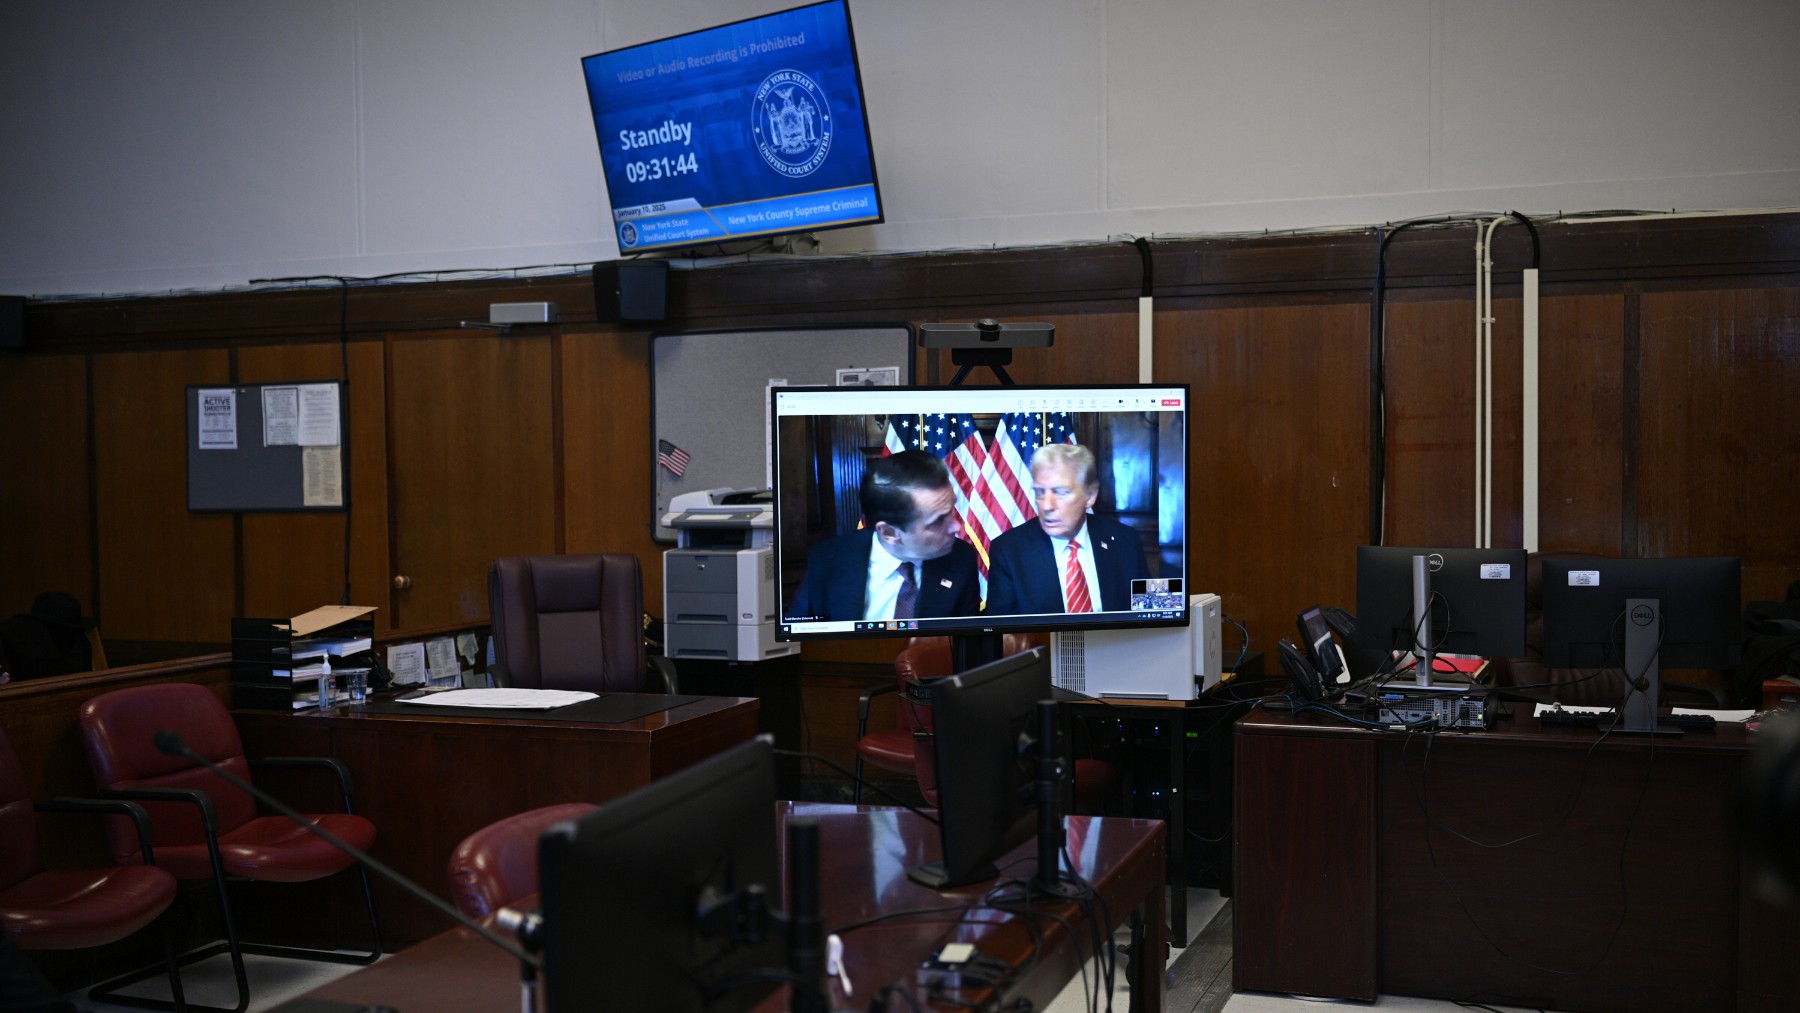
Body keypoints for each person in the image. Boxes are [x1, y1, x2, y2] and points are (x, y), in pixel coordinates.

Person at [786, 451, 982, 623]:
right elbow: (801, 636)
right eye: (938, 521)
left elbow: (962, 640)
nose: (956, 526)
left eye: (951, 509)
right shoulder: (826, 561)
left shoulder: (960, 559)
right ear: (889, 533)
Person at [984, 443, 1147, 616]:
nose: (1047, 505)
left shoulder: (1125, 540)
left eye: (1061, 492)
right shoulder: (1009, 551)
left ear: (1090, 496)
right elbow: (1003, 634)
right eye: (1040, 492)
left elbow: (1149, 613)